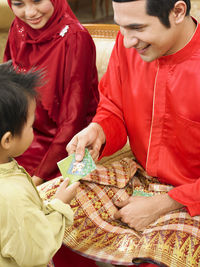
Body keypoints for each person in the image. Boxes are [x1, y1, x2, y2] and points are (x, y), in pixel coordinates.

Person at [67, 0, 200, 265]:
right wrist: (99, 130)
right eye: (121, 27)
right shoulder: (128, 43)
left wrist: (164, 204)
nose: (126, 41)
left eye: (137, 27)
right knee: (49, 212)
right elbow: (113, 106)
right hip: (138, 176)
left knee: (156, 259)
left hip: (191, 196)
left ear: (177, 11)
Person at [4, 0, 99, 186]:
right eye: (18, 3)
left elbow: (74, 119)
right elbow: (8, 91)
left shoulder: (76, 38)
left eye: (38, 0)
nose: (30, 12)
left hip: (70, 142)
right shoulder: (19, 27)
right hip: (25, 135)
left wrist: (38, 178)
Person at [0, 62, 80, 266]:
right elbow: (36, 250)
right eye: (31, 125)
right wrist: (60, 206)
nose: (33, 130)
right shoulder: (12, 196)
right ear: (7, 140)